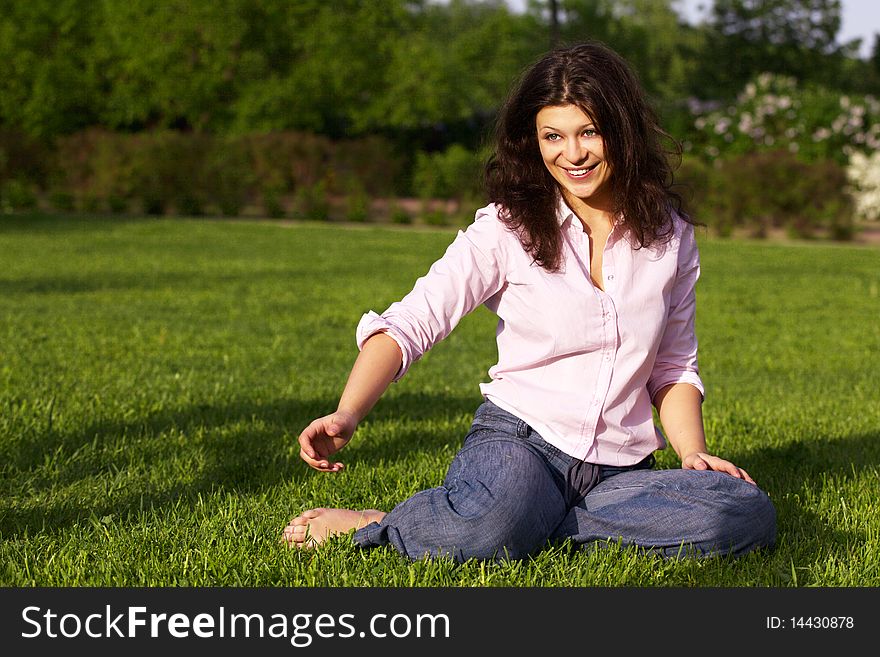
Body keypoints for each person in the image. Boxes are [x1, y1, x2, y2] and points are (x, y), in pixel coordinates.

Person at [283, 41, 777, 562]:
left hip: (621, 470)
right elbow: (412, 323)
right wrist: (347, 413)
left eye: (589, 131)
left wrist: (692, 452)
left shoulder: (668, 237)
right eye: (553, 136)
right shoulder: (506, 228)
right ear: (533, 141)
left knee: (743, 512)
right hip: (522, 444)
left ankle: (520, 526)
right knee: (487, 530)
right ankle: (390, 524)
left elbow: (673, 365)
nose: (573, 154)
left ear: (622, 130)